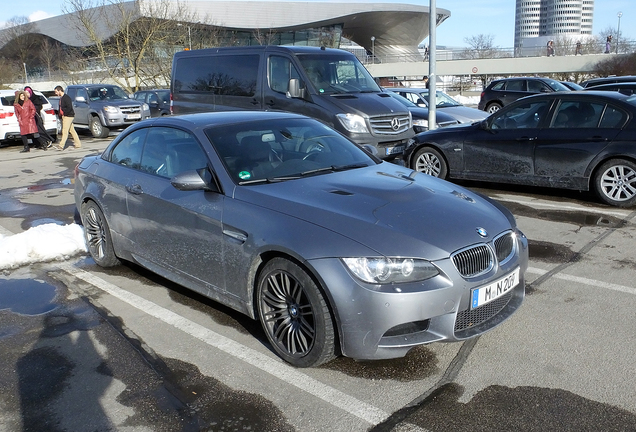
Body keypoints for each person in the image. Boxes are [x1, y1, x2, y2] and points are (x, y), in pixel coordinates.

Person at [53, 85, 81, 150]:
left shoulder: (66, 98)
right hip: (65, 116)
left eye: (56, 92)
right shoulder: (61, 98)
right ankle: (78, 144)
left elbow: (69, 107)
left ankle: (61, 145)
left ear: (60, 90)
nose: (56, 93)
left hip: (68, 116)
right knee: (72, 131)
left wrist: (65, 114)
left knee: (65, 131)